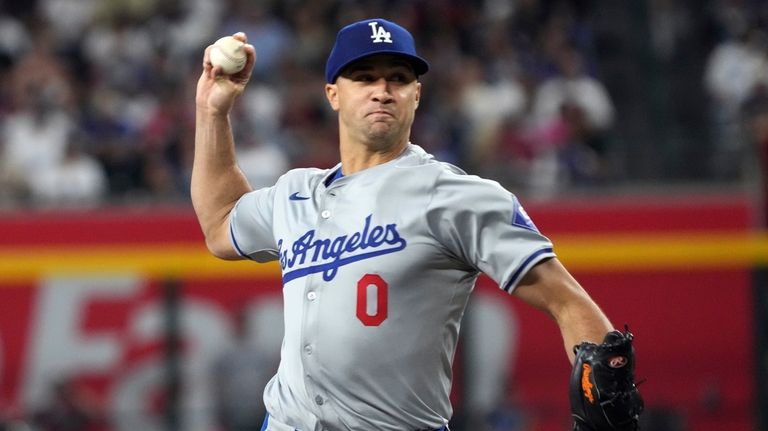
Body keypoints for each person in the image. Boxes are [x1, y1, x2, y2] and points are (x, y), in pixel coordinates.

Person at [193, 18, 620, 431]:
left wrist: (606, 378)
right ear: (333, 94)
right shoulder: (295, 194)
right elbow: (220, 222)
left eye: (397, 78)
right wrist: (212, 111)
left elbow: (567, 300)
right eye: (364, 77)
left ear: (416, 95)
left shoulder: (456, 196)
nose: (382, 90)